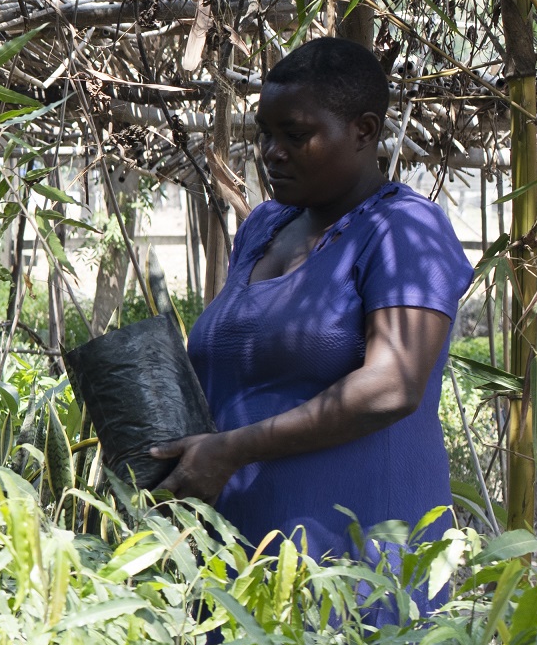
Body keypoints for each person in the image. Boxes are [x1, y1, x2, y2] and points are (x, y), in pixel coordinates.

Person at [150, 37, 470, 567]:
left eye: (296, 135)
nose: (272, 152)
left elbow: (391, 386)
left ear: (364, 131)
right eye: (266, 135)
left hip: (354, 566)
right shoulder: (263, 227)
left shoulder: (403, 230)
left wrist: (234, 449)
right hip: (239, 559)